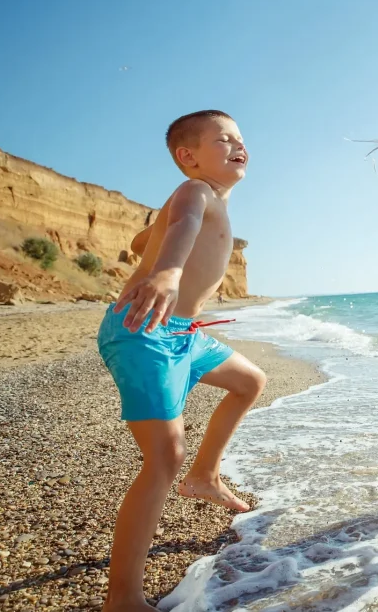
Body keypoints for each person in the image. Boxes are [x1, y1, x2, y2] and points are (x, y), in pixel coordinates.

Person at [98, 110, 267, 611]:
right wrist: (168, 272)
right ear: (188, 157)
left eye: (241, 138)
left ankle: (205, 477)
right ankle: (122, 600)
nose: (239, 145)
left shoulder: (207, 198)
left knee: (249, 381)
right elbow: (184, 226)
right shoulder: (196, 193)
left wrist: (148, 241)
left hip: (185, 334)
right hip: (143, 331)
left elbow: (149, 239)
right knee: (163, 457)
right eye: (224, 139)